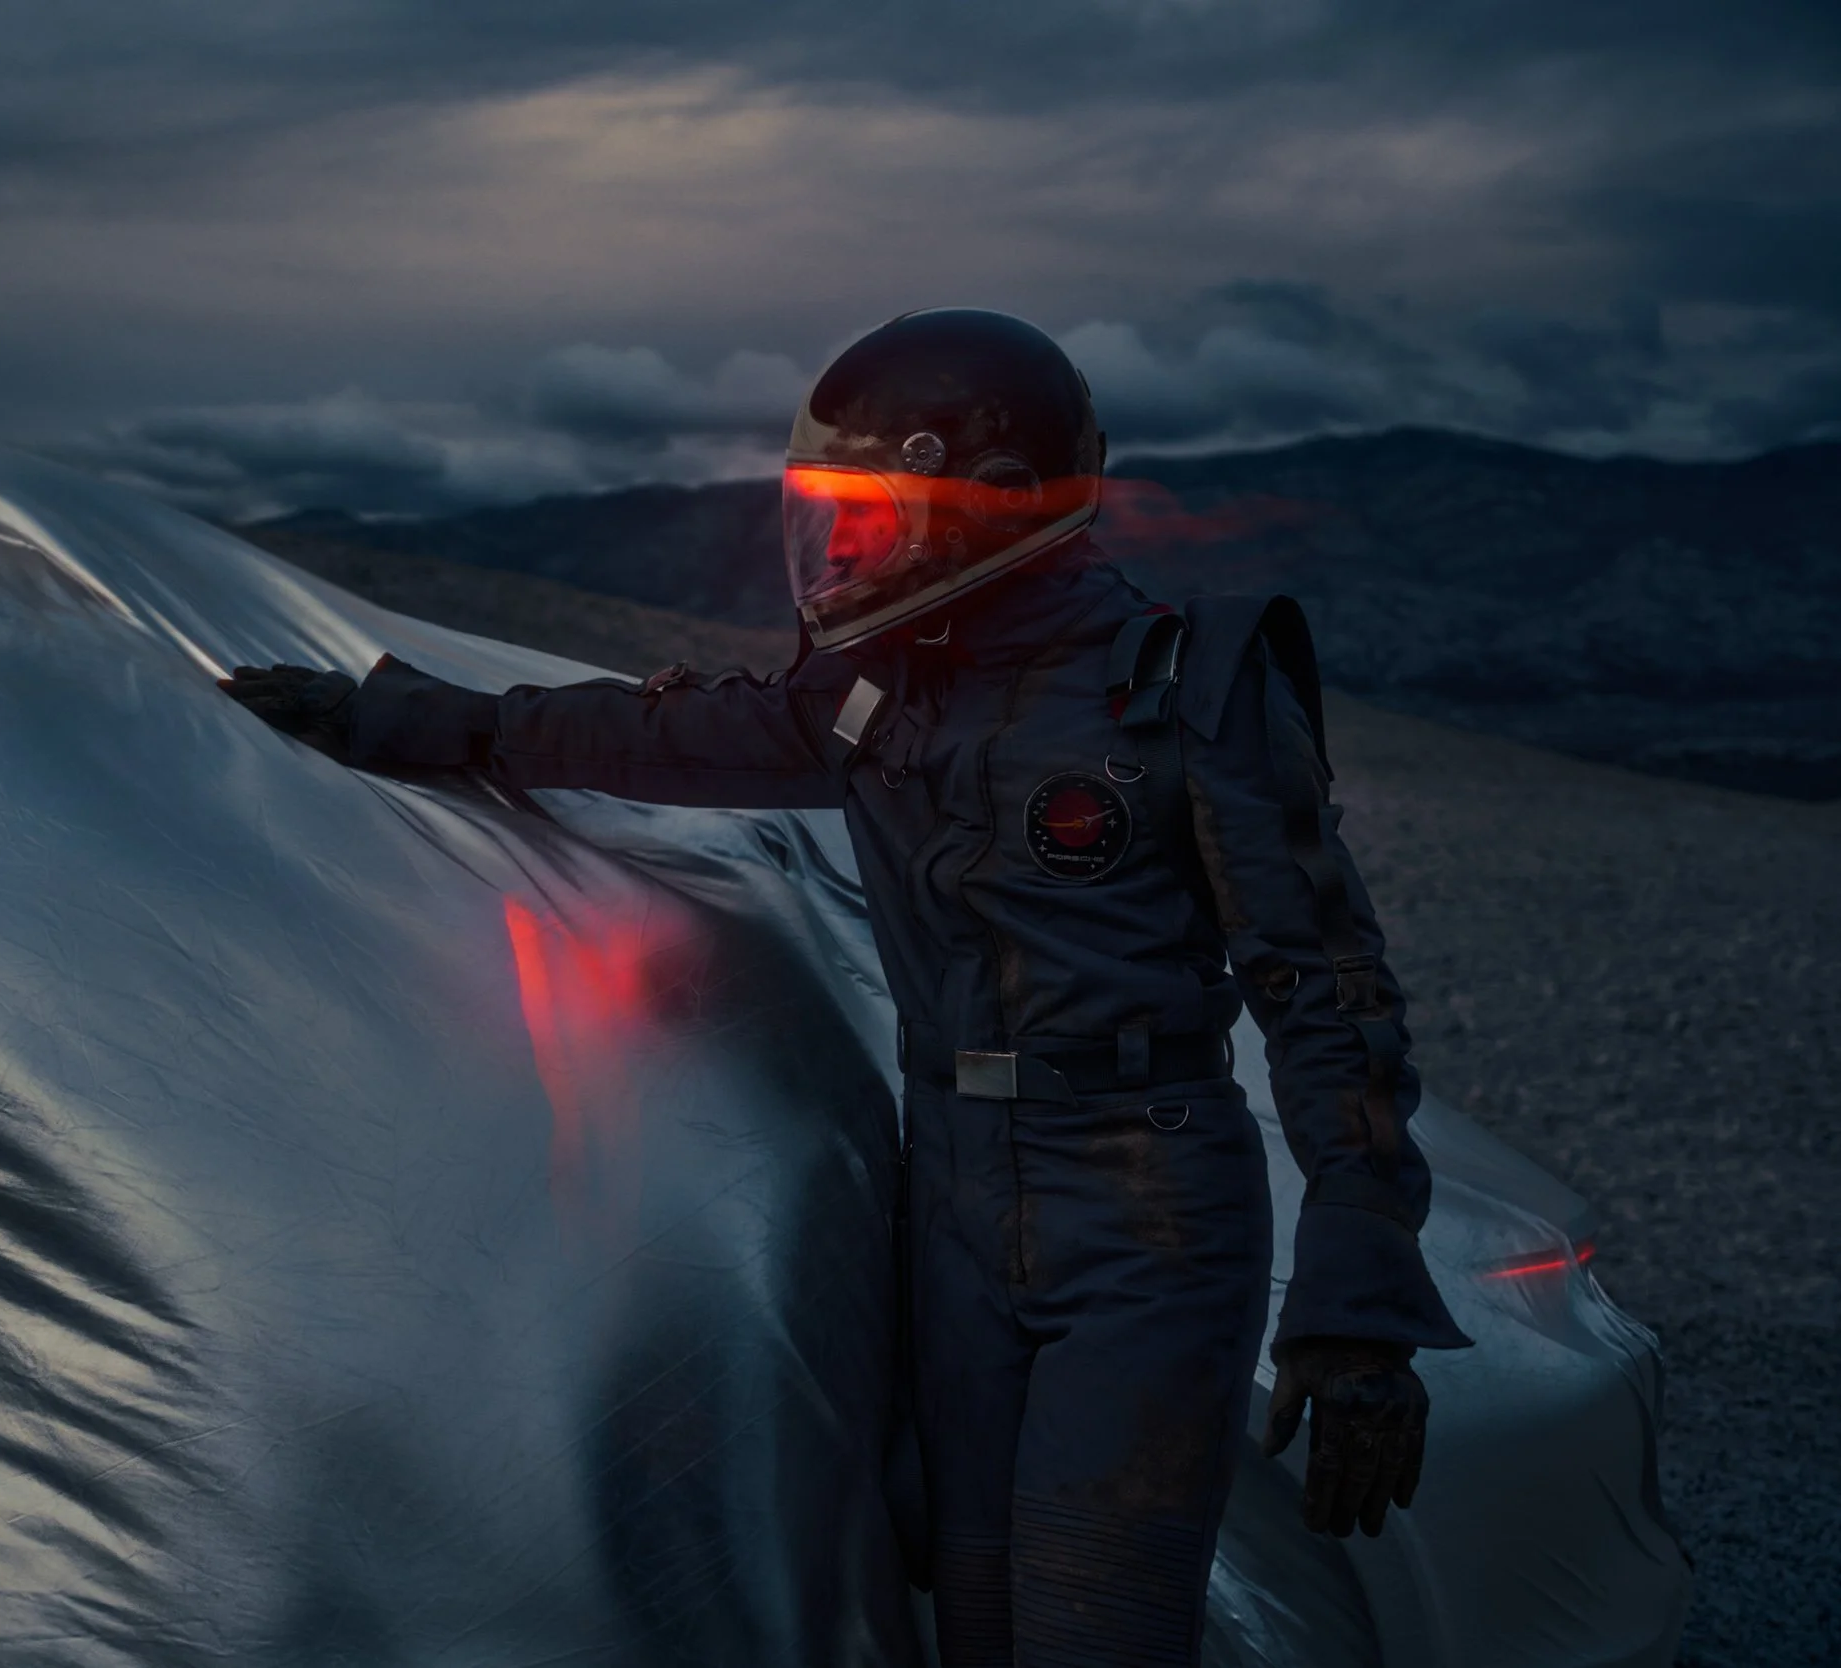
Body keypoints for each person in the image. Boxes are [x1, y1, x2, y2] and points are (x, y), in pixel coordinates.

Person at [223, 308, 1469, 1667]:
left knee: (1095, 1631)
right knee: (975, 1621)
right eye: (838, 513)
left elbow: (1331, 998)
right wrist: (405, 722)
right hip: (952, 1200)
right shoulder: (886, 692)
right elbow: (657, 732)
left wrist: (1359, 1314)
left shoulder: (1188, 688)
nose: (850, 546)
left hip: (1146, 1215)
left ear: (992, 503)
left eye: (876, 510)